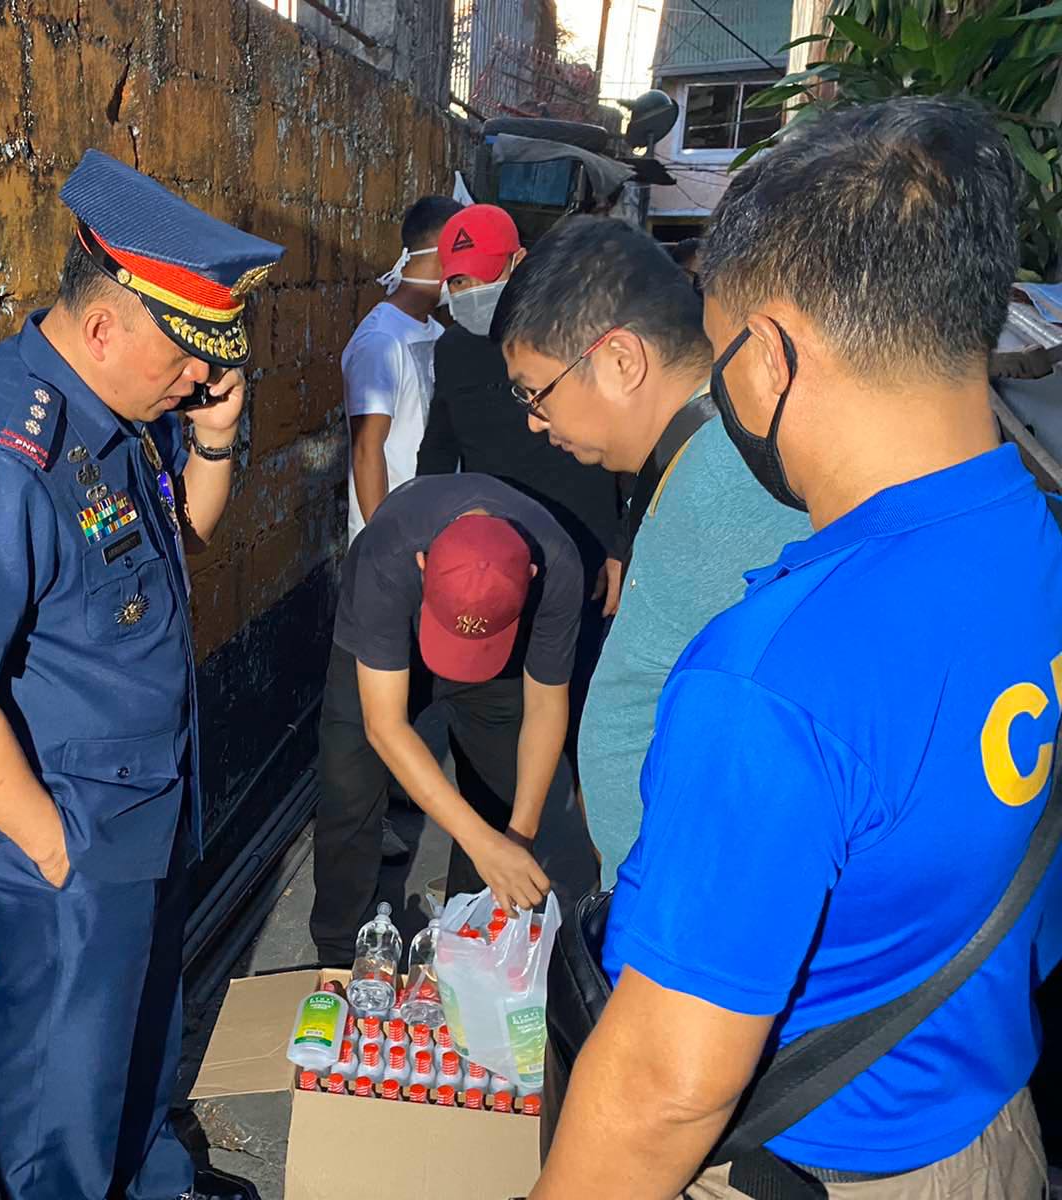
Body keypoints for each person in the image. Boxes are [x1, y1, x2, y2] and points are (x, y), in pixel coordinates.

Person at [532, 98, 1061, 1198]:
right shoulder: (1031, 539)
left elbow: (664, 1091)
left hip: (825, 1167)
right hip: (994, 1133)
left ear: (768, 358)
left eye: (720, 351)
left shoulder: (770, 678)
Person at [0, 150, 280, 1200]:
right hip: (74, 831)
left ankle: (152, 1182)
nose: (200, 377)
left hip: (146, 802)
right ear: (105, 326)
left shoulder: (118, 416)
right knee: (65, 1098)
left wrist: (215, 440)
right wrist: (54, 851)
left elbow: (181, 546)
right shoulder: (3, 454)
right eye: (186, 356)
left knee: (142, 1044)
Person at [494, 215, 807, 887]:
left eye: (536, 392)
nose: (533, 421)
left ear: (621, 360)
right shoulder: (694, 459)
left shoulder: (729, 481)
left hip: (693, 903)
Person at [309, 473, 600, 964]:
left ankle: (470, 941)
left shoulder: (558, 564)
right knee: (348, 789)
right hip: (392, 638)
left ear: (530, 576)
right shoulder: (389, 551)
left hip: (500, 660)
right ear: (423, 563)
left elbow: (546, 705)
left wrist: (514, 839)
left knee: (501, 795)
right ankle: (338, 956)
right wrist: (481, 842)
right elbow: (384, 725)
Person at [418, 204, 626, 782]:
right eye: (460, 282)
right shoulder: (453, 350)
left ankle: (581, 827)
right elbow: (438, 449)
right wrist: (433, 539)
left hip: (580, 551)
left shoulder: (574, 339)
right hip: (495, 559)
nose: (471, 293)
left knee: (578, 709)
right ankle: (486, 837)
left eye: (484, 277)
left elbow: (624, 447)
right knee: (485, 712)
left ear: (520, 264)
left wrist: (619, 546)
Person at [342, 195, 462, 545]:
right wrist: (384, 546)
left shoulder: (437, 333)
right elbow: (367, 451)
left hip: (433, 531)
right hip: (393, 540)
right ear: (442, 255)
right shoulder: (380, 341)